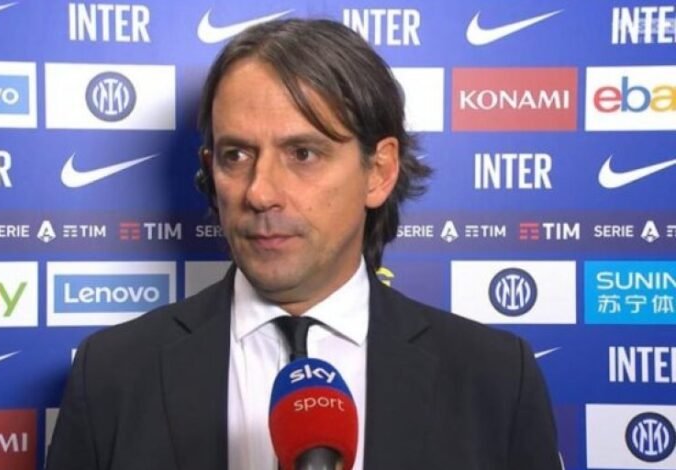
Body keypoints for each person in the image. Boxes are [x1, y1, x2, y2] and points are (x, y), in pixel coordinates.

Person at [46, 18, 561, 470]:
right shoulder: (111, 374)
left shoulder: (495, 380)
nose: (259, 192)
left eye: (303, 153)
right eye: (236, 155)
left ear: (379, 171)